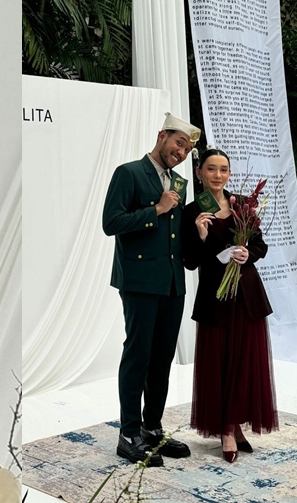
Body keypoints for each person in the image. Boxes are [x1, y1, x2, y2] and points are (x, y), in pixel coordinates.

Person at [102, 112, 198, 466]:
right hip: (139, 280)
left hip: (173, 281)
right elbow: (110, 223)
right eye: (178, 143)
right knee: (138, 355)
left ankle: (152, 429)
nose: (181, 152)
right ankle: (128, 434)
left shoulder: (181, 183)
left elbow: (176, 234)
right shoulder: (129, 173)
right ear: (162, 136)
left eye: (186, 149)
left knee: (162, 358)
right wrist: (155, 209)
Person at [180, 149, 277, 463]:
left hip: (246, 297)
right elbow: (190, 261)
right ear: (200, 173)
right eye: (211, 169)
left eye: (223, 169)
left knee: (243, 365)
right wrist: (201, 233)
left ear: (229, 174)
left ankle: (235, 424)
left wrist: (249, 254)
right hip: (214, 299)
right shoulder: (193, 211)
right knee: (219, 365)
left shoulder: (243, 205)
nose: (218, 175)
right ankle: (225, 428)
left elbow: (259, 245)